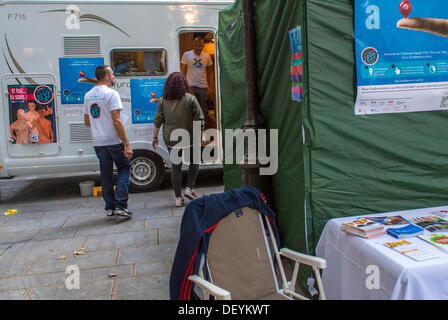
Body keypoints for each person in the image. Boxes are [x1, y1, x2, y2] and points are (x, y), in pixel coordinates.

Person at [83, 65, 134, 220]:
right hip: (113, 141)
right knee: (124, 169)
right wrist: (126, 143)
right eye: (112, 74)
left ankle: (110, 209)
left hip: (98, 143)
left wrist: (100, 124)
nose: (113, 77)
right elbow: (117, 121)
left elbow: (87, 121)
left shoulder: (88, 95)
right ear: (106, 76)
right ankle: (120, 205)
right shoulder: (112, 94)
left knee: (106, 175)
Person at [152, 72, 205, 207]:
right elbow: (199, 118)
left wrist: (154, 137)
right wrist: (201, 135)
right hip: (190, 137)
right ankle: (190, 188)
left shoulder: (163, 100)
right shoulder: (190, 98)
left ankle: (177, 198)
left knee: (176, 168)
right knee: (194, 162)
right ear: (184, 83)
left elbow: (158, 119)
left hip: (171, 138)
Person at [180, 36, 214, 124]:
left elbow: (210, 73)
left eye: (200, 46)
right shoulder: (186, 55)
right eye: (196, 45)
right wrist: (183, 86)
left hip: (203, 87)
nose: (198, 48)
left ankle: (200, 133)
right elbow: (182, 71)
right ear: (193, 45)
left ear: (203, 46)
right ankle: (191, 132)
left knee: (201, 111)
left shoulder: (207, 56)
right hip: (190, 86)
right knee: (190, 110)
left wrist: (210, 87)